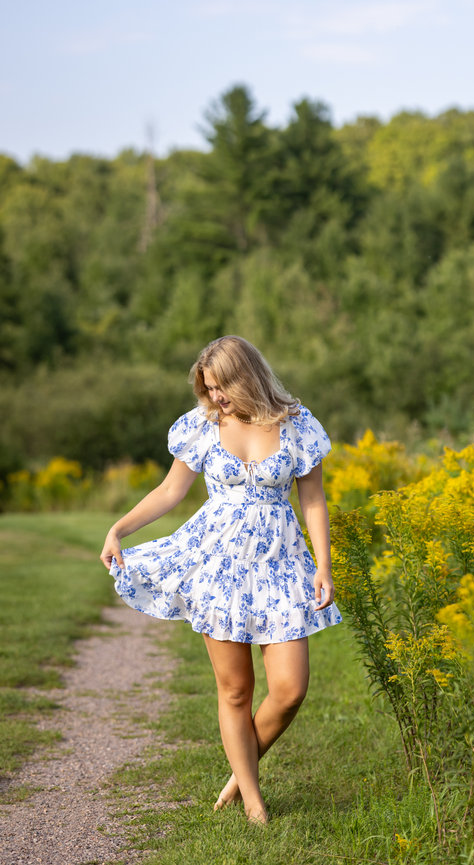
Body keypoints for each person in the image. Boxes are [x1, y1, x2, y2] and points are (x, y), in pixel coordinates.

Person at [100, 335, 341, 825]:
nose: (215, 398)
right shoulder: (203, 426)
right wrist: (119, 528)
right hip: (219, 564)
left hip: (281, 566)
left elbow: (312, 499)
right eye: (207, 389)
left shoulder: (297, 425)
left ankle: (238, 770)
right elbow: (171, 491)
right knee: (235, 690)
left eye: (220, 388)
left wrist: (324, 565)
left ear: (245, 377)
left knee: (290, 689)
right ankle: (253, 802)